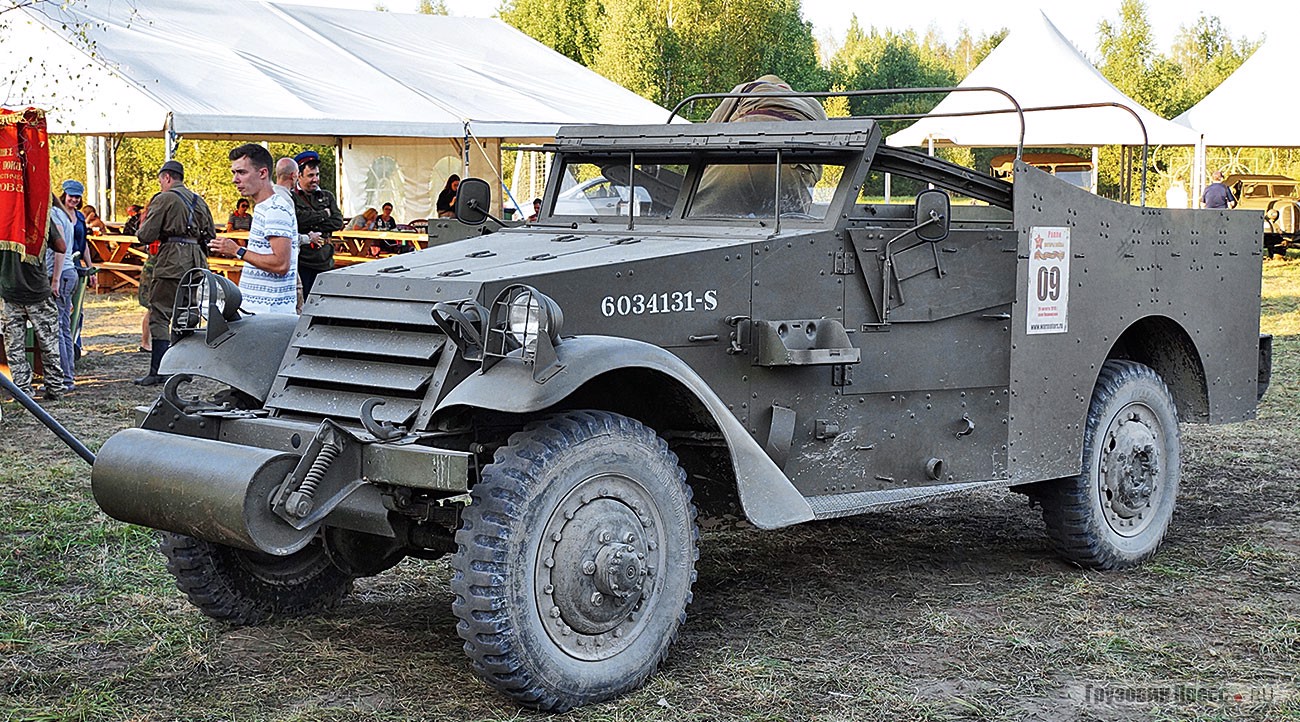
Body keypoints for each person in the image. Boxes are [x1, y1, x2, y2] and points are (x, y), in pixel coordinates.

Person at [134, 159, 215, 386]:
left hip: (171, 260)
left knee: (160, 313)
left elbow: (146, 235)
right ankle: (182, 369)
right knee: (187, 312)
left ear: (167, 177)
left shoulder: (165, 198)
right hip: (196, 262)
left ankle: (159, 370)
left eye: (161, 180)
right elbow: (210, 234)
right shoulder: (199, 200)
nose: (161, 184)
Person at [210, 144, 297, 315]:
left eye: (242, 172)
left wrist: (237, 250)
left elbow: (281, 264)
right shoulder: (264, 207)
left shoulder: (275, 209)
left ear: (263, 173)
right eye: (234, 173)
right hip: (258, 313)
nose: (235, 179)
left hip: (269, 315)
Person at [1, 214, 66, 401]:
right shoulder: (40, 215)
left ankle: (23, 392)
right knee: (49, 344)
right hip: (37, 291)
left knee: (14, 348)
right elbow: (61, 246)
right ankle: (55, 388)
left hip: (9, 291)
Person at [47, 180, 96, 391]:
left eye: (77, 196)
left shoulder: (59, 218)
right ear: (63, 195)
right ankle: (68, 376)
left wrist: (55, 278)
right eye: (71, 196)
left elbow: (64, 247)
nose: (74, 199)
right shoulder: (65, 216)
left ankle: (64, 378)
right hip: (69, 271)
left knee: (60, 327)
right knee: (65, 325)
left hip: (64, 272)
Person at [291, 149, 344, 295]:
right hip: (304, 261)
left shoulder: (327, 196)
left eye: (317, 175)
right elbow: (297, 221)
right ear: (298, 175)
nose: (315, 179)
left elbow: (337, 222)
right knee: (305, 302)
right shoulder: (292, 197)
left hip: (325, 259)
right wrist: (323, 214)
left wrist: (311, 220)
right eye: (310, 175)